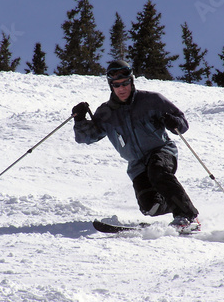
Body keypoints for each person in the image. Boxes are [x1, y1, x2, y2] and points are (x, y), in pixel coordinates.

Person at [72, 60, 199, 228]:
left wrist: (172, 121)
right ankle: (179, 202)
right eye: (117, 85)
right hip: (137, 164)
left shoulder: (152, 100)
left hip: (161, 151)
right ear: (111, 86)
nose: (122, 88)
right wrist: (80, 119)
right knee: (150, 207)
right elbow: (86, 138)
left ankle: (187, 215)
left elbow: (182, 124)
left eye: (125, 83)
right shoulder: (106, 113)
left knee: (157, 170)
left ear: (131, 81)